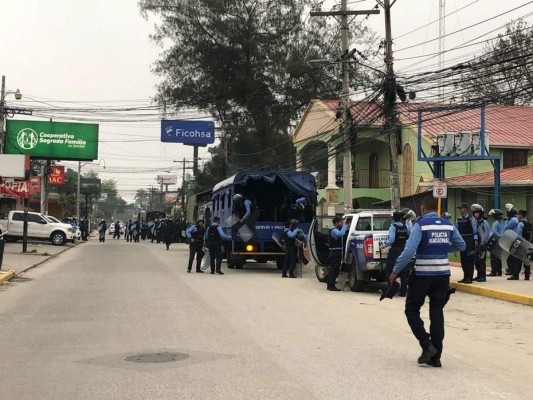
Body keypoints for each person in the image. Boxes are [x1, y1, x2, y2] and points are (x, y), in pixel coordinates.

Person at [390, 196, 465, 367]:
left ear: (423, 208)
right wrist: (443, 247)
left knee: (411, 310)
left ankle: (426, 344)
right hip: (443, 276)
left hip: (423, 275)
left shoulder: (420, 224)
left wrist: (395, 270)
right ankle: (436, 358)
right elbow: (461, 246)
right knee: (437, 312)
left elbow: (409, 251)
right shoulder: (447, 223)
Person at [380, 211, 410, 296]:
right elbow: (409, 236)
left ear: (393, 218)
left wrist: (384, 245)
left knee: (389, 270)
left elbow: (391, 239)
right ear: (401, 218)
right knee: (403, 271)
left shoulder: (393, 227)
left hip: (395, 251)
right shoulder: (406, 227)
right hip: (403, 250)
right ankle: (403, 292)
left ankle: (391, 289)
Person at [455, 202, 478, 284]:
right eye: (460, 209)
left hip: (469, 239)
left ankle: (470, 278)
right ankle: (465, 277)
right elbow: (456, 230)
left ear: (465, 209)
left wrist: (475, 241)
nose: (460, 210)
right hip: (462, 239)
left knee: (469, 260)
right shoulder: (458, 219)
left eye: (461, 208)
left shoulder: (471, 218)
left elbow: (475, 230)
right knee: (463, 259)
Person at [327, 216, 349, 291]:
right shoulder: (333, 230)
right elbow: (341, 234)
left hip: (335, 252)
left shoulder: (336, 229)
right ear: (336, 223)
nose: (342, 223)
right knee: (334, 269)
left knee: (333, 269)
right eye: (340, 222)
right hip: (334, 252)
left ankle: (330, 284)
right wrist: (344, 226)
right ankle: (331, 286)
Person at [509, 210, 532, 280]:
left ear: (521, 215)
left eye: (518, 215)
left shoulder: (520, 224)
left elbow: (518, 235)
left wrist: (517, 244)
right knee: (526, 260)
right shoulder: (529, 224)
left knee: (517, 260)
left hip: (521, 244)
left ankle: (516, 275)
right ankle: (527, 276)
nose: (517, 216)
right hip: (528, 244)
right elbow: (531, 235)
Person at [471, 204, 490, 282]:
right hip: (476, 244)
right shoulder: (474, 222)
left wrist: (483, 243)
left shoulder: (484, 222)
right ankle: (478, 275)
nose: (476, 214)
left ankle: (483, 276)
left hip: (482, 244)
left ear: (481, 213)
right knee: (477, 261)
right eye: (475, 213)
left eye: (477, 213)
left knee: (482, 261)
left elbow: (487, 233)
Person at [504, 205, 520, 278]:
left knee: (511, 256)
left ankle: (511, 269)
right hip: (511, 238)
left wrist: (506, 221)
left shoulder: (513, 220)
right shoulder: (514, 219)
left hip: (512, 239)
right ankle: (510, 269)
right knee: (510, 256)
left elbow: (506, 227)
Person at [488, 209, 504, 276]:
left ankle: (494, 272)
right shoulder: (500, 223)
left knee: (494, 257)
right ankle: (499, 271)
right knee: (498, 257)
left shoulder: (495, 223)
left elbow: (494, 232)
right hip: (500, 240)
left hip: (495, 241)